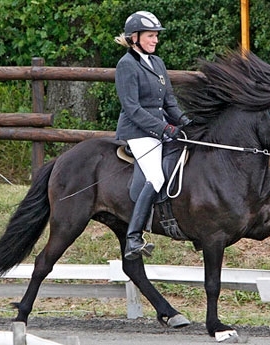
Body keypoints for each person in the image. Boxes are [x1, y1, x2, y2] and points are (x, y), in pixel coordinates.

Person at [114, 11, 192, 260]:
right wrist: (164, 129)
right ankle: (134, 238)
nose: (155, 40)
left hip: (160, 127)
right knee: (156, 177)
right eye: (150, 36)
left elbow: (169, 102)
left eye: (156, 36)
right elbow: (132, 108)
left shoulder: (157, 63)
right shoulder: (126, 65)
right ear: (134, 37)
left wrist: (185, 123)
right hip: (138, 132)